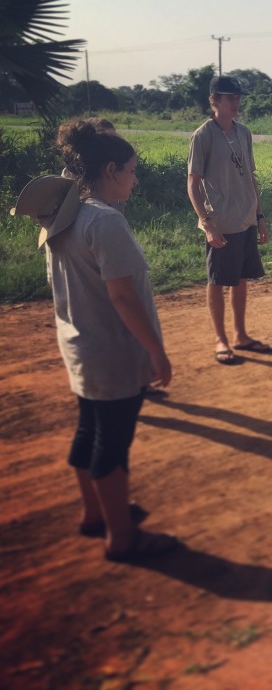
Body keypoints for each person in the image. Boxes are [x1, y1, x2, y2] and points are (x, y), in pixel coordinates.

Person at [11, 121, 178, 562]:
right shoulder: (105, 222)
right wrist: (156, 352)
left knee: (89, 430)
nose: (135, 179)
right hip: (112, 353)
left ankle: (94, 514)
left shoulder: (62, 215)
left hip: (80, 345)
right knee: (112, 445)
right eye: (131, 171)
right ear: (110, 170)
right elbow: (123, 297)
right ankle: (121, 538)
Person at [187, 75, 272, 365]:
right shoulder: (203, 135)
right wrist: (206, 222)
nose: (235, 103)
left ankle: (240, 334)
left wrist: (259, 217)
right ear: (214, 100)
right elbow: (193, 183)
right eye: (229, 98)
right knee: (217, 280)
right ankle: (220, 339)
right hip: (221, 221)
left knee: (239, 278)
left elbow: (250, 176)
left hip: (246, 217)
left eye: (238, 98)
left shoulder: (243, 132)